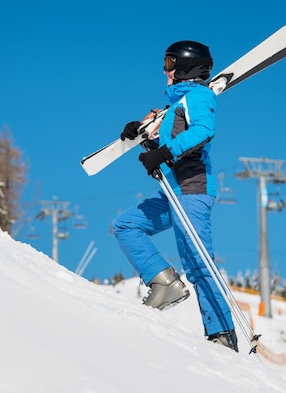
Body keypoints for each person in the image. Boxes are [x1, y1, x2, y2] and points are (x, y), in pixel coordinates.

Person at [112, 40, 238, 352]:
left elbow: (202, 132)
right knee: (126, 225)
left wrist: (163, 151)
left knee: (198, 263)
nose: (165, 71)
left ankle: (222, 334)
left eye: (170, 64)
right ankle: (164, 282)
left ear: (184, 67)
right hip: (173, 192)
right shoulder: (173, 108)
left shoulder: (198, 96)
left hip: (192, 192)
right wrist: (142, 137)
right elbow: (172, 144)